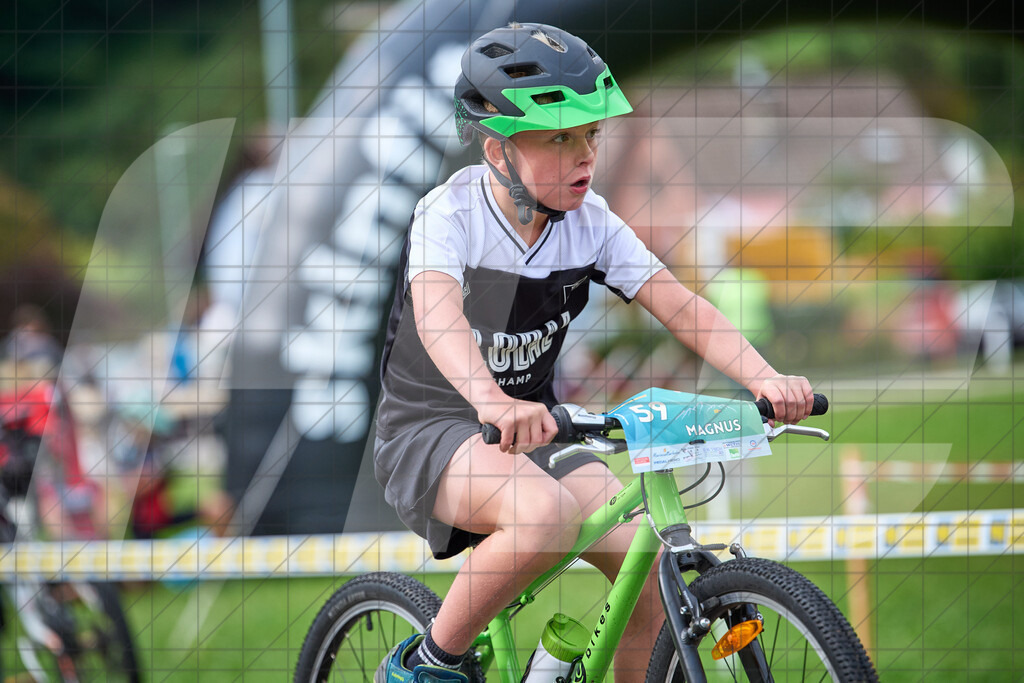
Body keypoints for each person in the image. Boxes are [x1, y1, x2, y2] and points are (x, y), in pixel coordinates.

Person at [373, 22, 814, 683]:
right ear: (498, 152)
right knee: (545, 514)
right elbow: (438, 318)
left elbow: (680, 304)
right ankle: (427, 663)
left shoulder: (593, 221)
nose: (586, 155)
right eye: (560, 138)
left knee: (649, 570)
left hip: (536, 426)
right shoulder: (450, 212)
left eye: (592, 135)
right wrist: (492, 400)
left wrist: (766, 378)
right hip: (433, 428)